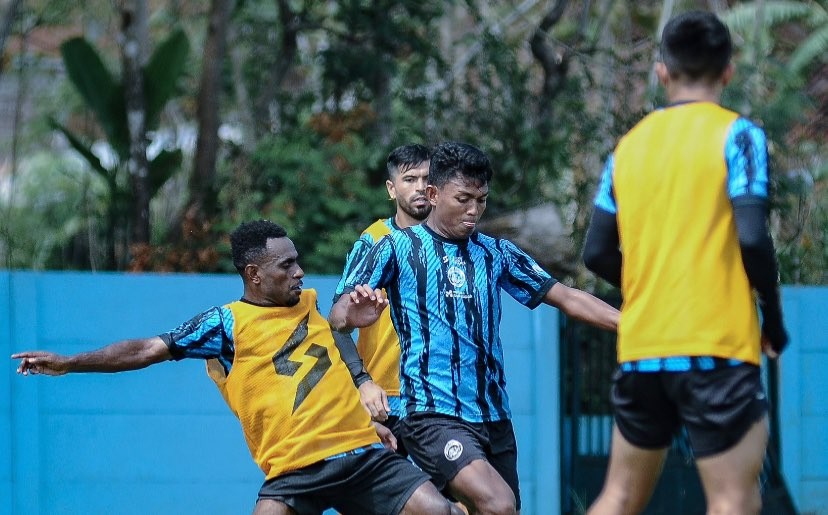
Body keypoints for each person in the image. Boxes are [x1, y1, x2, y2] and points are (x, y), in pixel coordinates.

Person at [12, 220, 463, 515]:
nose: (300, 272)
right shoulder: (227, 323)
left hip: (359, 453)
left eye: (297, 261)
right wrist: (70, 363)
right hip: (293, 471)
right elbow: (148, 349)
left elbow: (339, 335)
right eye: (287, 265)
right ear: (254, 275)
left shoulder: (310, 305)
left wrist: (363, 379)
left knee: (437, 512)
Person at [330, 141, 620, 515]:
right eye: (463, 199)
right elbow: (337, 316)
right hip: (433, 415)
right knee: (498, 504)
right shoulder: (396, 247)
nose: (473, 211)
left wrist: (629, 324)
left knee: (495, 508)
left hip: (494, 417)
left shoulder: (495, 252)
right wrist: (350, 315)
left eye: (481, 200)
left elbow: (565, 296)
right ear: (433, 195)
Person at [581, 11, 788, 515]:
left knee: (619, 498)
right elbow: (755, 240)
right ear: (728, 72)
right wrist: (773, 320)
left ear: (662, 72)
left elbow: (596, 252)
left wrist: (651, 287)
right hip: (717, 349)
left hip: (644, 350)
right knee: (734, 501)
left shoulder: (627, 148)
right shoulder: (739, 136)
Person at [334, 143, 431, 451]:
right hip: (386, 401)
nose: (420, 187)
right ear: (392, 189)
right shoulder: (375, 239)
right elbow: (337, 321)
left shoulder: (452, 241)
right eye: (409, 179)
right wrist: (362, 381)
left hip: (440, 398)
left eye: (427, 179)